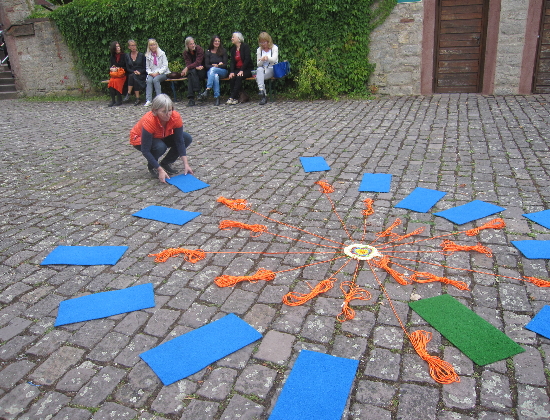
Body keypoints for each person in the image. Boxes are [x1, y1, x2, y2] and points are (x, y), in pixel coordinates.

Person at [129, 94, 193, 182]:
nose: (168, 114)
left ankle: (166, 163)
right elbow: (145, 150)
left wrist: (186, 164)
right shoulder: (149, 120)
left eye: (170, 110)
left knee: (186, 138)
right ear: (155, 111)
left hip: (160, 135)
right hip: (139, 139)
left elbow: (179, 141)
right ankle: (153, 166)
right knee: (160, 147)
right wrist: (159, 170)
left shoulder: (175, 116)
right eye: (164, 112)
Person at [198, 35, 228, 106]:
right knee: (215, 76)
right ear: (212, 42)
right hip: (211, 72)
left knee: (213, 70)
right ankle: (217, 97)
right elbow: (206, 65)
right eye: (215, 41)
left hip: (222, 71)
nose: (217, 42)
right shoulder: (208, 52)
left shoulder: (223, 51)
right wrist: (215, 65)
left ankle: (208, 89)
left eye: (218, 41)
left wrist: (218, 66)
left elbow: (225, 65)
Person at [227, 32, 253, 105]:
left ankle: (232, 97)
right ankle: (236, 98)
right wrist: (232, 71)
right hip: (237, 69)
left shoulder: (245, 47)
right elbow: (232, 61)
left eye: (233, 37)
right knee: (232, 77)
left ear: (238, 39)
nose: (232, 38)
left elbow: (247, 59)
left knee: (239, 77)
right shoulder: (233, 49)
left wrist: (242, 70)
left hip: (247, 69)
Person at [144, 39, 170, 107]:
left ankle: (159, 100)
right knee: (149, 80)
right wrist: (150, 73)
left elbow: (165, 65)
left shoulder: (162, 53)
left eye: (154, 45)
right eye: (151, 45)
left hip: (162, 73)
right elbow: (147, 67)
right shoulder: (147, 55)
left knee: (156, 80)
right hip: (152, 73)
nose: (153, 47)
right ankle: (148, 100)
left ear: (156, 45)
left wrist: (158, 72)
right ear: (149, 46)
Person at [181, 37, 205, 107]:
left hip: (202, 70)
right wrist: (193, 67)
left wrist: (188, 68)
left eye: (193, 43)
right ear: (187, 45)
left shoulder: (199, 49)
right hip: (193, 71)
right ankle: (198, 92)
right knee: (192, 73)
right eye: (191, 44)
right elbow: (188, 63)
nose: (193, 45)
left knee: (191, 73)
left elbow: (198, 62)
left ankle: (191, 98)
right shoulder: (185, 53)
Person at [255, 32, 278, 105]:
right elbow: (258, 64)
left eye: (264, 42)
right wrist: (262, 60)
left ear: (268, 41)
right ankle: (262, 91)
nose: (263, 44)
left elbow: (274, 60)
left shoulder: (274, 48)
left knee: (258, 77)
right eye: (261, 42)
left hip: (271, 68)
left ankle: (263, 96)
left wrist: (267, 58)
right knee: (259, 70)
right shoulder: (259, 50)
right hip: (262, 69)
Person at [123, 40, 146, 106]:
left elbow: (145, 68)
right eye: (132, 45)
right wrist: (134, 71)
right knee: (133, 76)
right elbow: (128, 68)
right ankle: (137, 98)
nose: (133, 47)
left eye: (134, 45)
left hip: (141, 74)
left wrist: (140, 72)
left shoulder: (141, 55)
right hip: (132, 73)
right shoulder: (127, 56)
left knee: (133, 76)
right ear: (129, 47)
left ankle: (129, 93)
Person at [107, 41, 127, 107]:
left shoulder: (124, 56)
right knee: (111, 81)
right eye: (116, 47)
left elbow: (127, 67)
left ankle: (119, 99)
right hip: (116, 75)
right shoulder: (112, 57)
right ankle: (113, 100)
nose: (118, 48)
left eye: (119, 46)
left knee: (116, 81)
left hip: (123, 74)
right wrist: (112, 68)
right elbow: (111, 66)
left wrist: (118, 68)